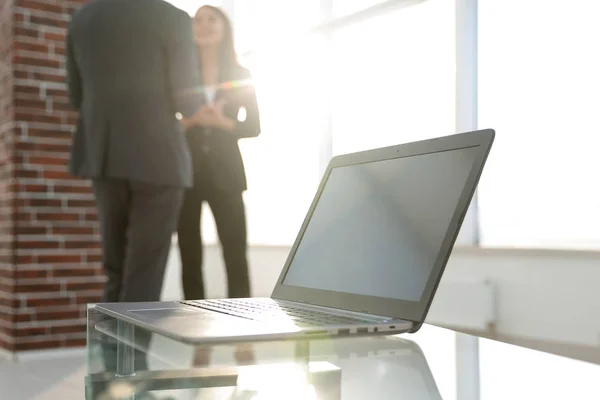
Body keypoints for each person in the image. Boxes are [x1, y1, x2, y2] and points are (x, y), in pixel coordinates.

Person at [66, 0, 204, 382]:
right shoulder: (172, 18)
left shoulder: (83, 18)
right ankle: (132, 380)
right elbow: (186, 97)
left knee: (114, 271)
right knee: (143, 276)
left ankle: (107, 374)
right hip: (157, 157)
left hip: (104, 153)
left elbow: (76, 95)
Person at [177, 5, 260, 367]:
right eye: (197, 20)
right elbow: (165, 123)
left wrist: (222, 123)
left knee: (234, 254)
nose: (204, 25)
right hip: (187, 173)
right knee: (190, 256)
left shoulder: (240, 74)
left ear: (225, 29)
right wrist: (194, 120)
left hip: (227, 175)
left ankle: (242, 337)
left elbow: (254, 127)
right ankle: (199, 338)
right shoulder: (179, 74)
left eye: (212, 19)